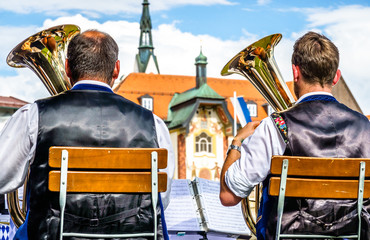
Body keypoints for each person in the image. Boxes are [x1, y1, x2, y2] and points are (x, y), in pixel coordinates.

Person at [0, 30, 175, 239]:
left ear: (66, 68)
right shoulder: (153, 124)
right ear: (116, 69)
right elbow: (159, 200)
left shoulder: (34, 115)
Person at [220, 31, 370, 239]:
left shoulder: (277, 126)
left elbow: (228, 196)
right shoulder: (366, 127)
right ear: (336, 77)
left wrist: (236, 143)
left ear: (295, 72)